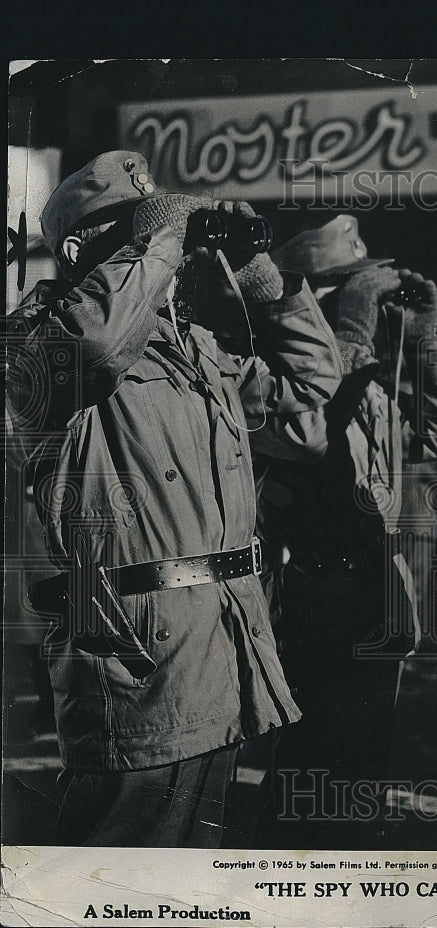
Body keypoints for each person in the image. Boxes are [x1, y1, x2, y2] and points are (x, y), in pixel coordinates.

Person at [4, 150, 342, 847]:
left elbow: (310, 405)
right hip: (138, 664)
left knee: (189, 876)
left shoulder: (194, 351)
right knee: (121, 870)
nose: (169, 246)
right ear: (77, 249)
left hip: (221, 648)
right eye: (132, 229)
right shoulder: (35, 342)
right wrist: (157, 235)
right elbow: (95, 343)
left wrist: (263, 282)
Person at [254, 215, 437, 847]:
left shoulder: (364, 379)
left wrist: (424, 340)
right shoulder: (274, 371)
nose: (372, 300)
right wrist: (351, 331)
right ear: (310, 299)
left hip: (374, 594)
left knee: (358, 773)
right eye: (349, 286)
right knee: (316, 771)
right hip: (308, 596)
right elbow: (308, 440)